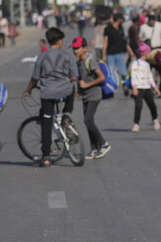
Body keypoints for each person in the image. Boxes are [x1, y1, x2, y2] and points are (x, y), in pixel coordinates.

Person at [23, 27, 78, 167]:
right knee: (72, 89)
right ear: (60, 41)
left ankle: (46, 157)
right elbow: (74, 76)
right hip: (65, 92)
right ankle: (66, 114)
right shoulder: (67, 56)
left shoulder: (42, 56)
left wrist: (27, 91)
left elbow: (35, 78)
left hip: (47, 94)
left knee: (46, 124)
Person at [72, 36, 111, 160]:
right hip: (86, 95)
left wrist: (86, 85)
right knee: (88, 121)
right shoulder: (79, 63)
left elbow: (101, 77)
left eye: (77, 48)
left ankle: (104, 144)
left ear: (84, 48)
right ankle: (94, 148)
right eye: (74, 48)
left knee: (88, 120)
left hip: (94, 94)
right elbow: (81, 78)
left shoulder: (90, 61)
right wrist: (79, 90)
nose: (75, 51)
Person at [130, 44, 161, 132]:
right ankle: (136, 124)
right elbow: (134, 76)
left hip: (147, 88)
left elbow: (150, 77)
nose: (150, 54)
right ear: (145, 53)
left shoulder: (147, 64)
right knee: (138, 106)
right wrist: (134, 88)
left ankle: (155, 119)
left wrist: (156, 88)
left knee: (152, 105)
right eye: (149, 52)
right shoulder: (136, 64)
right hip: (139, 88)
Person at [103, 12, 131, 87]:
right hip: (110, 54)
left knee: (123, 72)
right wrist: (104, 55)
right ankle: (111, 88)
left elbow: (124, 41)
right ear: (118, 19)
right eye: (121, 19)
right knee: (111, 72)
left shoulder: (121, 28)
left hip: (120, 53)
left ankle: (125, 85)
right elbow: (105, 42)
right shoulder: (108, 29)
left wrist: (130, 52)